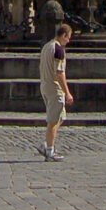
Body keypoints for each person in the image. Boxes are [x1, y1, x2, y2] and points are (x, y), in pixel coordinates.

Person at [38, 22, 74, 161]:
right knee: (53, 120)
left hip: (45, 85)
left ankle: (47, 144)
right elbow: (60, 73)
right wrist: (67, 92)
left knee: (60, 117)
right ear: (63, 35)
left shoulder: (47, 46)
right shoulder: (58, 50)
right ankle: (49, 151)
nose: (68, 40)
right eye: (68, 37)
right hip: (54, 87)